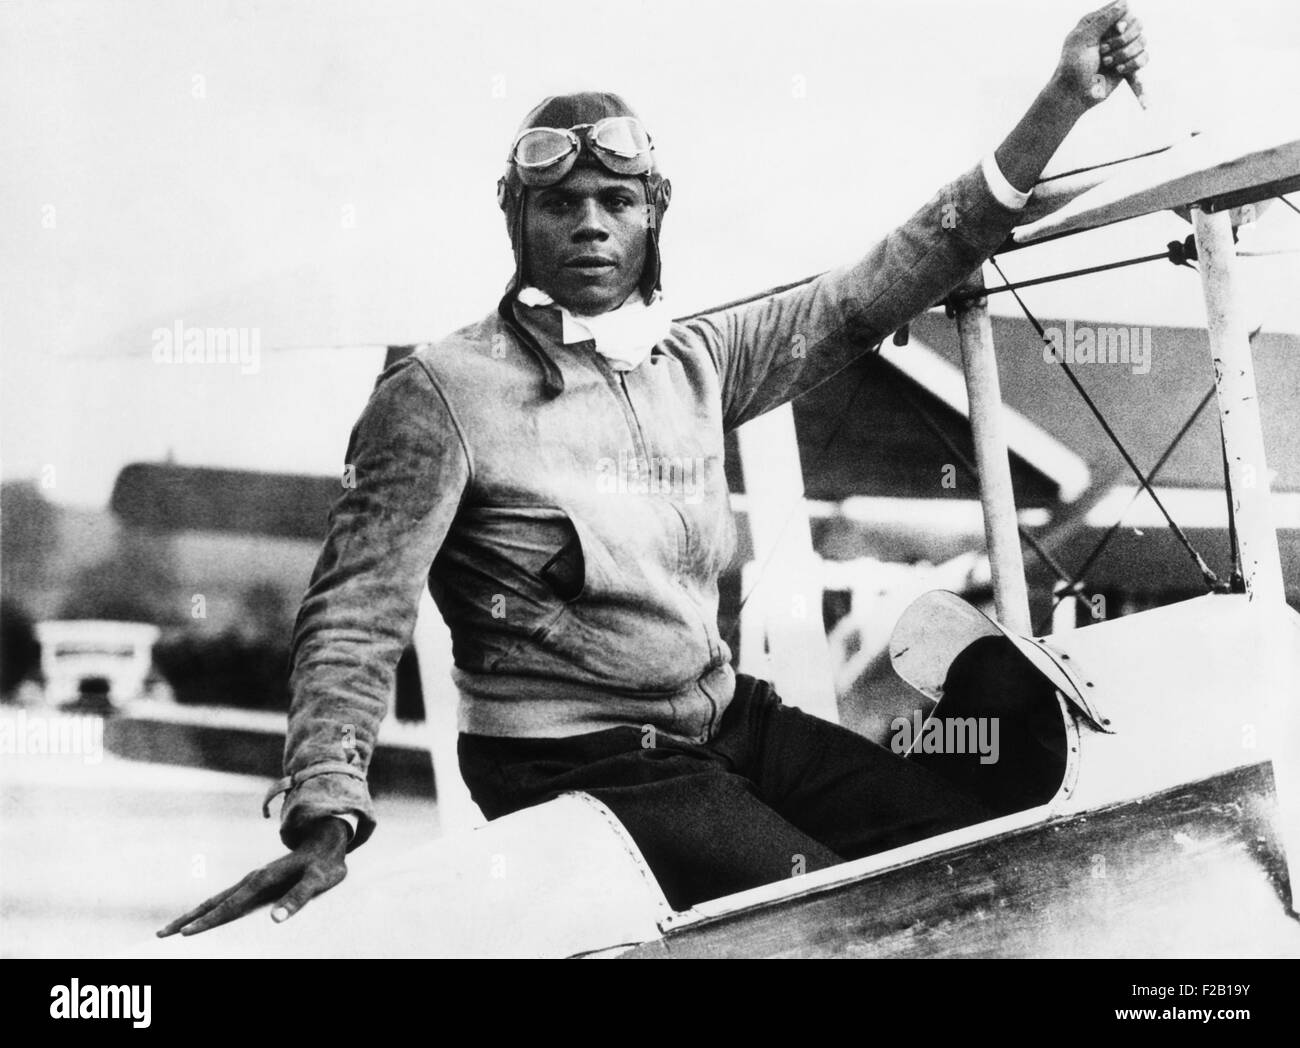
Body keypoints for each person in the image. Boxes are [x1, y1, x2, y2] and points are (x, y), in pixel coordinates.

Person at [160, 1, 1148, 936]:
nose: (590, 223)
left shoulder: (694, 360)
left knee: (968, 848)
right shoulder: (440, 389)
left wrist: (1059, 103)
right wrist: (325, 810)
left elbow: (881, 282)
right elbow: (356, 606)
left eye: (616, 200)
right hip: (570, 754)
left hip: (728, 721)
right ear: (519, 221)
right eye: (561, 203)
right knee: (828, 914)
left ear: (651, 216)